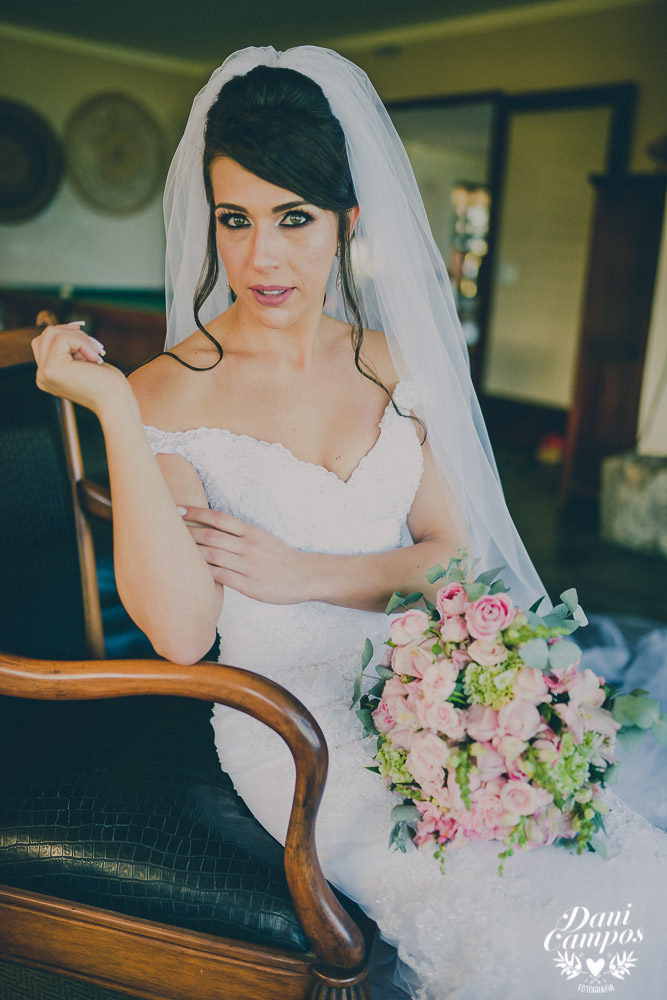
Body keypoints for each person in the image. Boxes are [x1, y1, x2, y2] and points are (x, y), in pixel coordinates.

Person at [31, 46, 667, 1000]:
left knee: (608, 886)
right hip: (295, 735)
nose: (261, 258)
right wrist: (117, 410)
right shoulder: (167, 390)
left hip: (436, 699)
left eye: (295, 218)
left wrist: (299, 572)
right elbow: (179, 632)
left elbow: (454, 558)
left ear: (345, 223)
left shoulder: (392, 359)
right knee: (517, 930)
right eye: (236, 220)